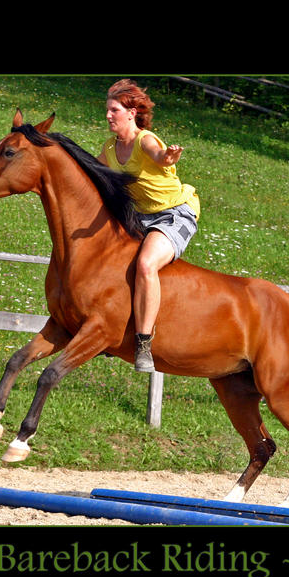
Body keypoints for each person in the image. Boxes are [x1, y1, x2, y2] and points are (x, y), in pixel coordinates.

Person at [97, 79, 201, 373]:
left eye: (113, 110)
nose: (108, 116)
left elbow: (160, 155)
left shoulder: (146, 140)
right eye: (107, 110)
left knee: (145, 265)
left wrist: (169, 157)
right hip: (139, 218)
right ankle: (109, 328)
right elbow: (91, 173)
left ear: (131, 112)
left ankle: (143, 344)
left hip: (173, 215)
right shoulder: (109, 147)